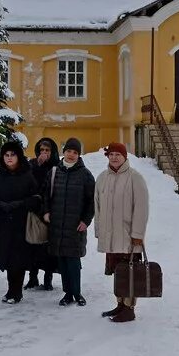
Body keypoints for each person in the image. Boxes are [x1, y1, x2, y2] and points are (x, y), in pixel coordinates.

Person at [94, 142, 150, 323]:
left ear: (125, 156)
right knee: (118, 271)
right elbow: (98, 207)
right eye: (111, 154)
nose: (114, 157)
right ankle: (120, 304)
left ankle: (129, 308)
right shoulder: (102, 178)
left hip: (128, 236)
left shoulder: (135, 178)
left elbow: (141, 209)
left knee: (130, 271)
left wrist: (138, 235)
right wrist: (99, 230)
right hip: (110, 235)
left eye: (118, 154)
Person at [0, 139, 41, 304]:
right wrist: (0, 205)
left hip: (21, 223)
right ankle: (11, 289)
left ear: (18, 157)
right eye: (6, 155)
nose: (9, 158)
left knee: (19, 258)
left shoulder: (27, 175)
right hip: (3, 223)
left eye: (12, 155)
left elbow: (36, 198)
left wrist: (20, 204)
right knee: (7, 257)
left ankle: (16, 291)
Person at [44, 137, 95, 307]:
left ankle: (77, 292)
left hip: (75, 225)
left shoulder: (85, 174)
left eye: (75, 152)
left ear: (79, 155)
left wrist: (86, 221)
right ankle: (67, 293)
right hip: (57, 224)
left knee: (73, 260)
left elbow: (92, 201)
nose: (71, 155)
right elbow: (46, 196)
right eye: (69, 151)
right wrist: (46, 212)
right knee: (62, 261)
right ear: (63, 152)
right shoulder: (54, 172)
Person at [26, 137, 59, 291]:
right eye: (41, 150)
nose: (44, 153)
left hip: (50, 211)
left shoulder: (57, 166)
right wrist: (38, 165)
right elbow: (28, 183)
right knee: (33, 245)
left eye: (47, 150)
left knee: (48, 247)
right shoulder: (32, 164)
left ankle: (48, 278)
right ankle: (33, 278)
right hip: (34, 210)